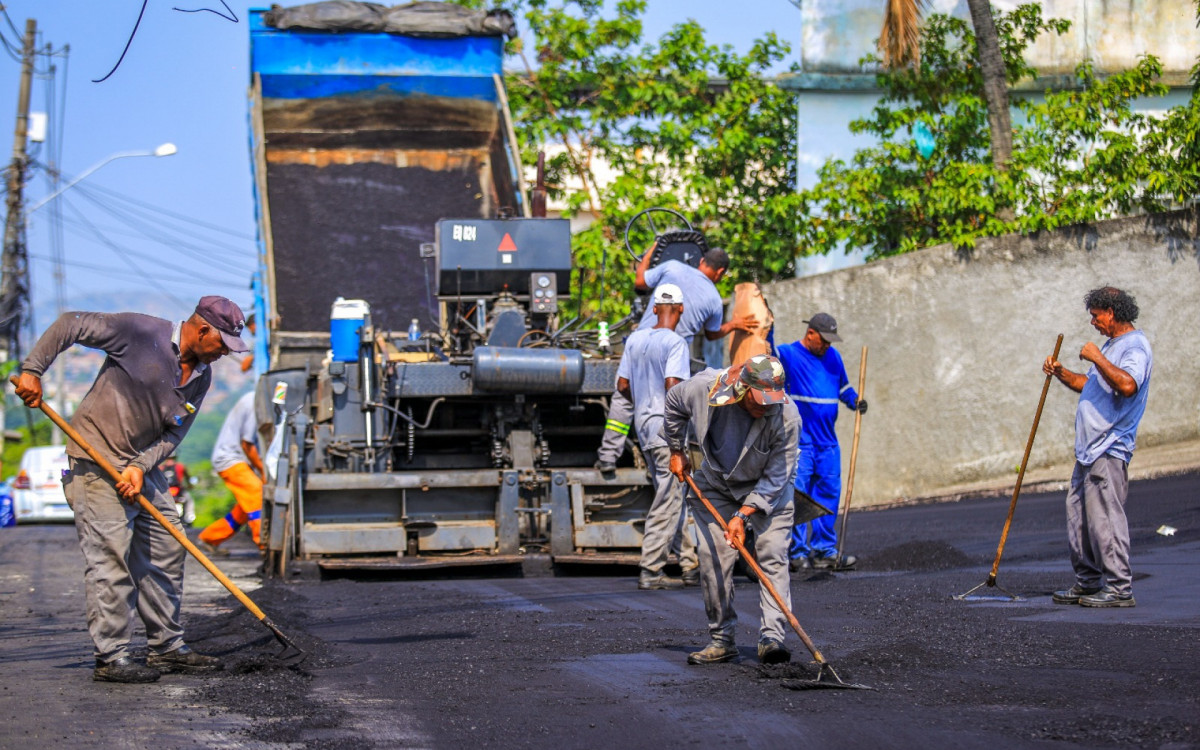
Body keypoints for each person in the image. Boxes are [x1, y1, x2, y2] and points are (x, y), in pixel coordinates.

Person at [15, 296, 249, 684]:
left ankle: (166, 647)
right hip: (97, 462)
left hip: (144, 467)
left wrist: (140, 467)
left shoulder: (202, 376)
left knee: (169, 547)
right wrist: (32, 370)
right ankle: (111, 656)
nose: (225, 352)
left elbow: (175, 433)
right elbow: (70, 322)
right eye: (222, 342)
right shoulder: (140, 332)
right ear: (203, 329)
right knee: (111, 560)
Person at [663, 353, 800, 665]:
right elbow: (673, 402)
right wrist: (676, 449)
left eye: (772, 400)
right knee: (713, 558)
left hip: (769, 489)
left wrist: (743, 514)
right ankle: (722, 638)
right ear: (742, 388)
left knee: (772, 556)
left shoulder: (787, 417)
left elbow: (778, 475)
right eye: (759, 399)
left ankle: (772, 639)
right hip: (717, 483)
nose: (766, 406)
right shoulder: (704, 389)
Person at [596, 246, 757, 474]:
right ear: (720, 272)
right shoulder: (712, 298)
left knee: (623, 398)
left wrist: (651, 250)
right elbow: (711, 334)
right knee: (671, 403)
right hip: (672, 355)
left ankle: (608, 456)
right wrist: (734, 325)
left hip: (641, 344)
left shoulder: (672, 267)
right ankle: (673, 454)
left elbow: (640, 281)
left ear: (701, 260)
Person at [1044, 287, 1152, 608]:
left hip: (1110, 448)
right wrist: (1061, 372)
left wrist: (1097, 356)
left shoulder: (1134, 346)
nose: (1093, 322)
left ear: (1112, 312)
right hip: (1088, 449)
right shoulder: (1112, 346)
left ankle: (1119, 588)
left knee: (1105, 519)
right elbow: (1089, 385)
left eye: (1096, 316)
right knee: (1078, 516)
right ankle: (1088, 581)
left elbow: (1128, 385)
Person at [616, 284, 698, 590]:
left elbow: (623, 385)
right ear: (680, 310)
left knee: (676, 497)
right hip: (667, 431)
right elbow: (674, 385)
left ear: (654, 309)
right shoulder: (676, 342)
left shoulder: (635, 339)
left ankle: (690, 566)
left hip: (645, 430)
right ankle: (651, 570)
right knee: (668, 500)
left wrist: (643, 402)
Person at [775, 313, 866, 571]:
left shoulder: (833, 358)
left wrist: (855, 400)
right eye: (824, 340)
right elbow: (767, 353)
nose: (827, 345)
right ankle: (797, 552)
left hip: (828, 443)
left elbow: (844, 390)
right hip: (801, 443)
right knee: (799, 497)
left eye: (830, 341)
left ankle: (824, 550)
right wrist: (766, 329)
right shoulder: (788, 354)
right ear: (811, 333)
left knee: (828, 495)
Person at [199, 391, 265, 554]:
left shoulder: (254, 398)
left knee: (245, 508)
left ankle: (210, 538)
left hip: (237, 459)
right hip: (230, 459)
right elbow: (247, 444)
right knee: (258, 492)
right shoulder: (256, 403)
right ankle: (264, 544)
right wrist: (265, 471)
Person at [161, 455, 196, 526]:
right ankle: (189, 516)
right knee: (189, 501)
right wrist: (190, 485)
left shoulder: (161, 468)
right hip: (179, 491)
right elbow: (187, 478)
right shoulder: (180, 466)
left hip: (165, 492)